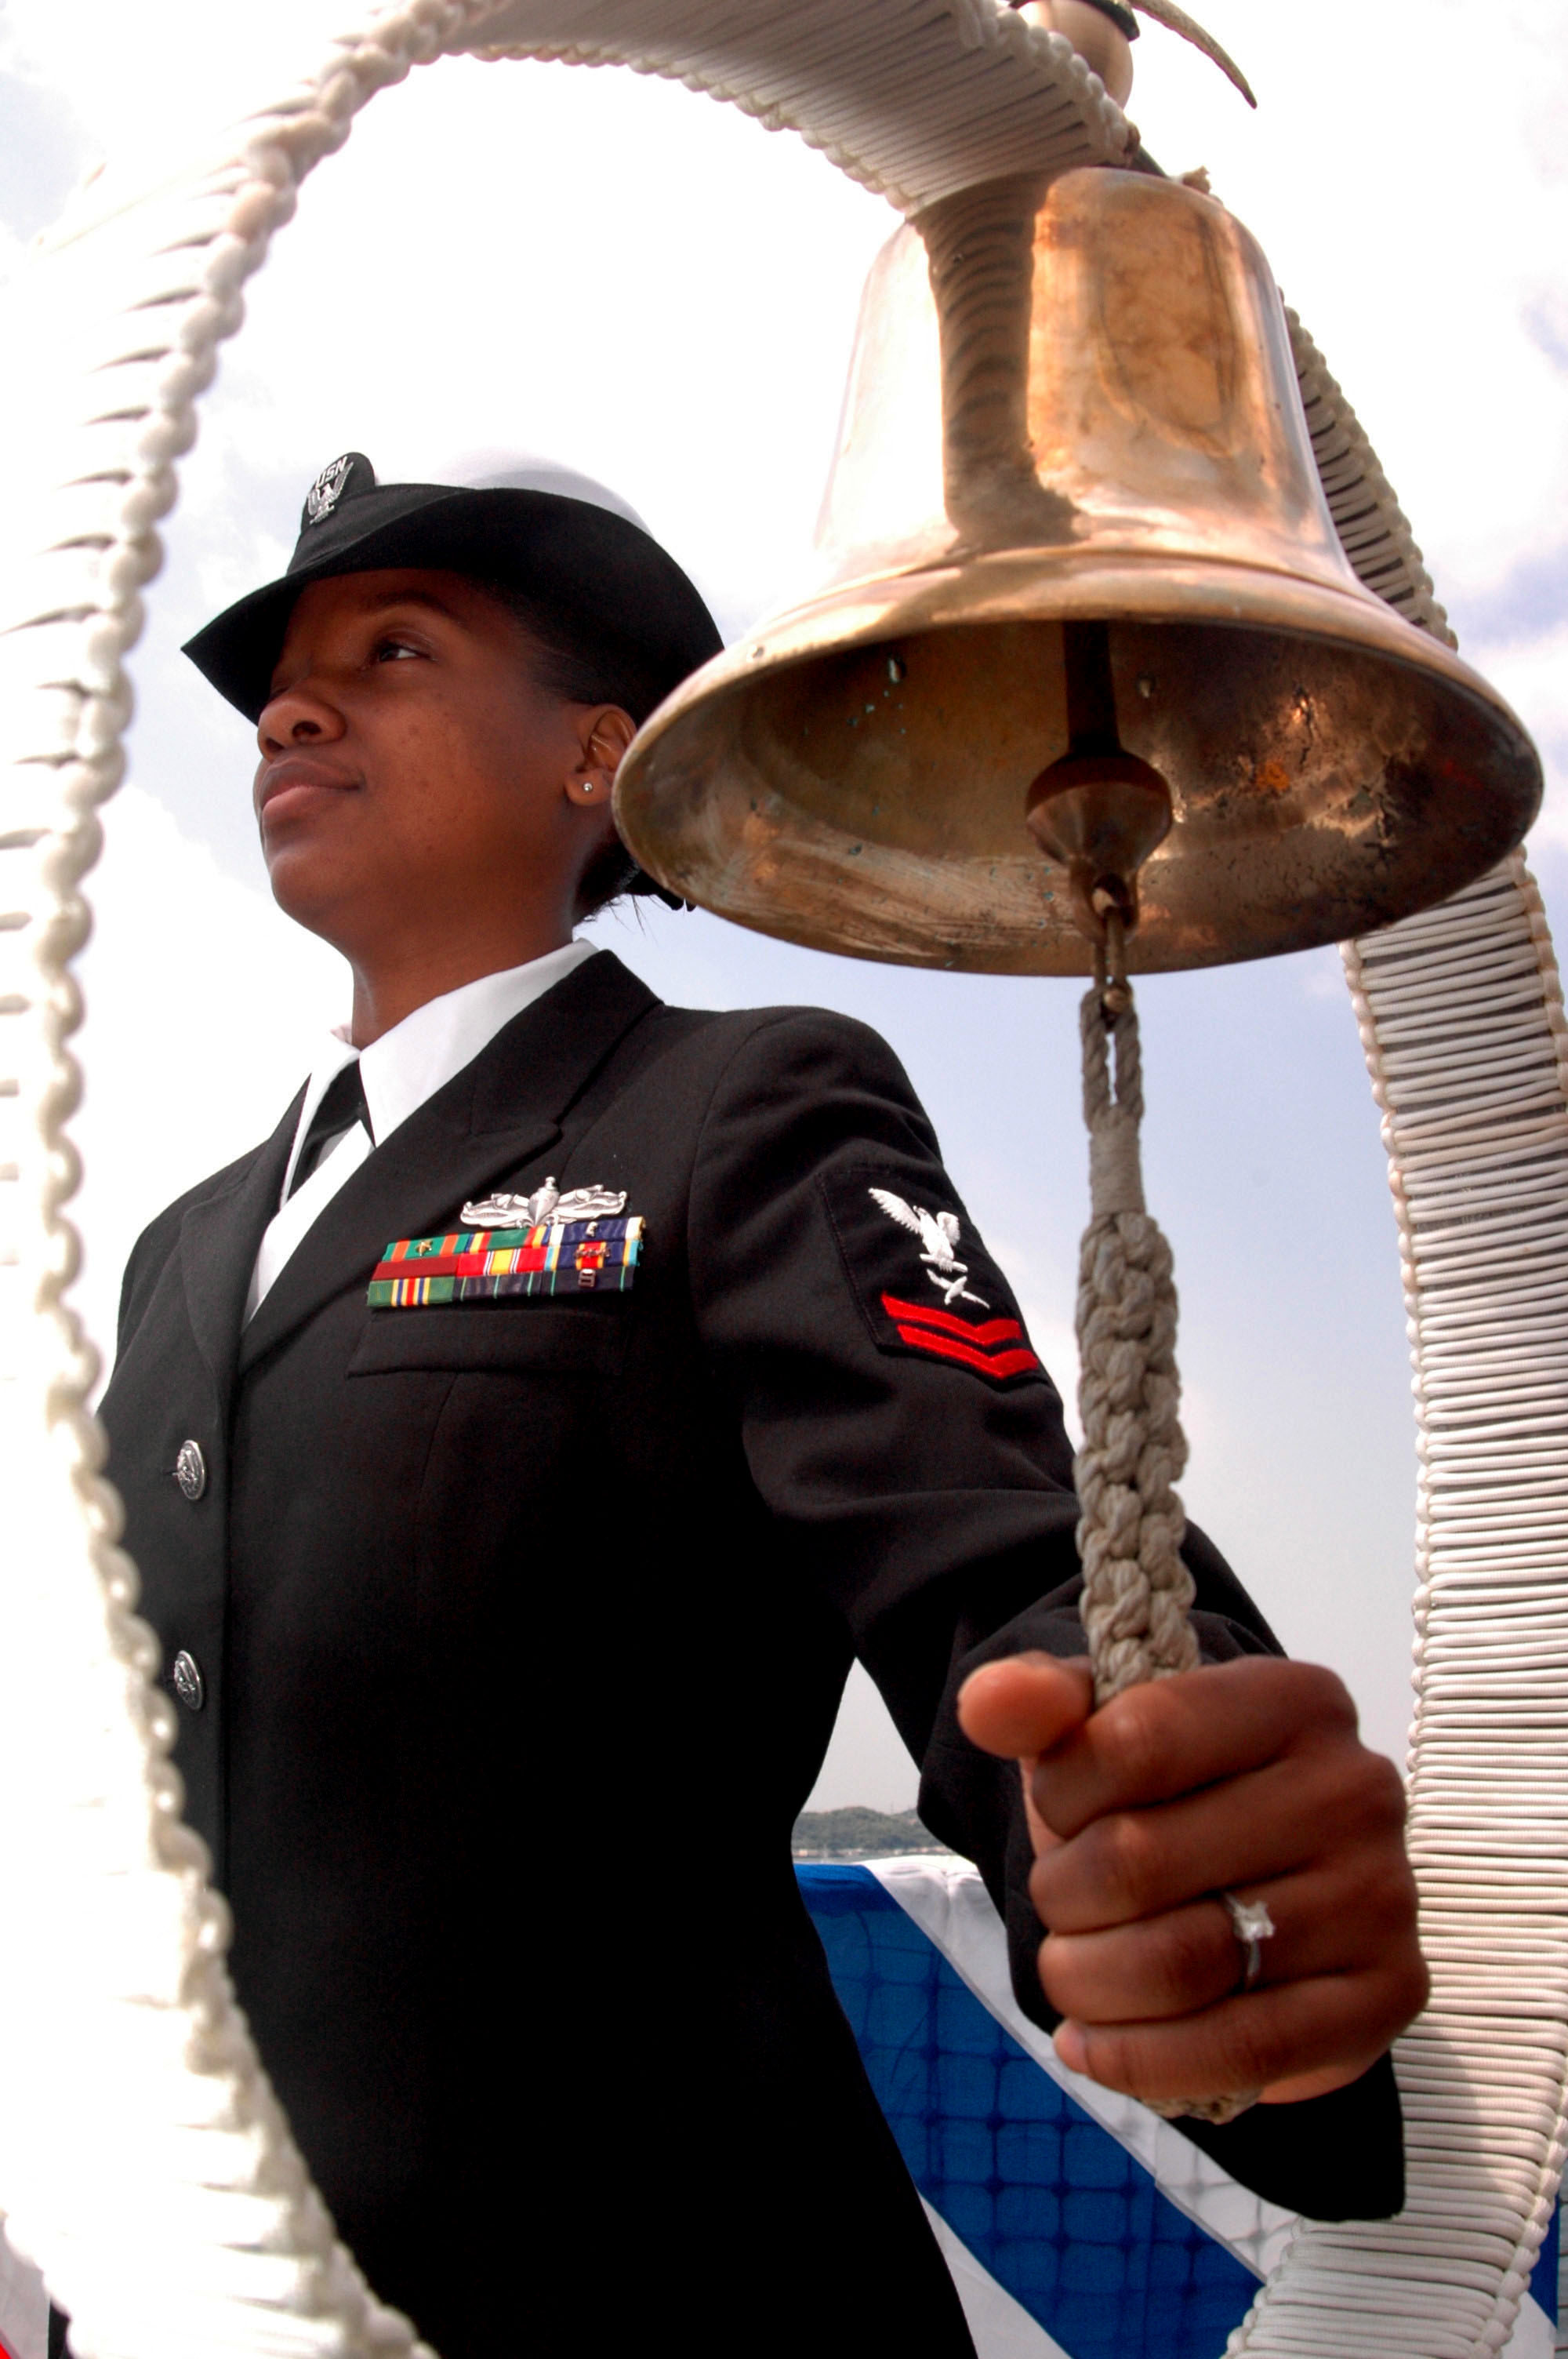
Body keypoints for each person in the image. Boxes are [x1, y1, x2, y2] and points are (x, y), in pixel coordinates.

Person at [93, 453, 1425, 2357]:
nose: (296, 709)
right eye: (286, 681)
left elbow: (1003, 1579)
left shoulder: (737, 1109)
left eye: (394, 648)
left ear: (594, 759)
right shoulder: (179, 1249)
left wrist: (1189, 1854)